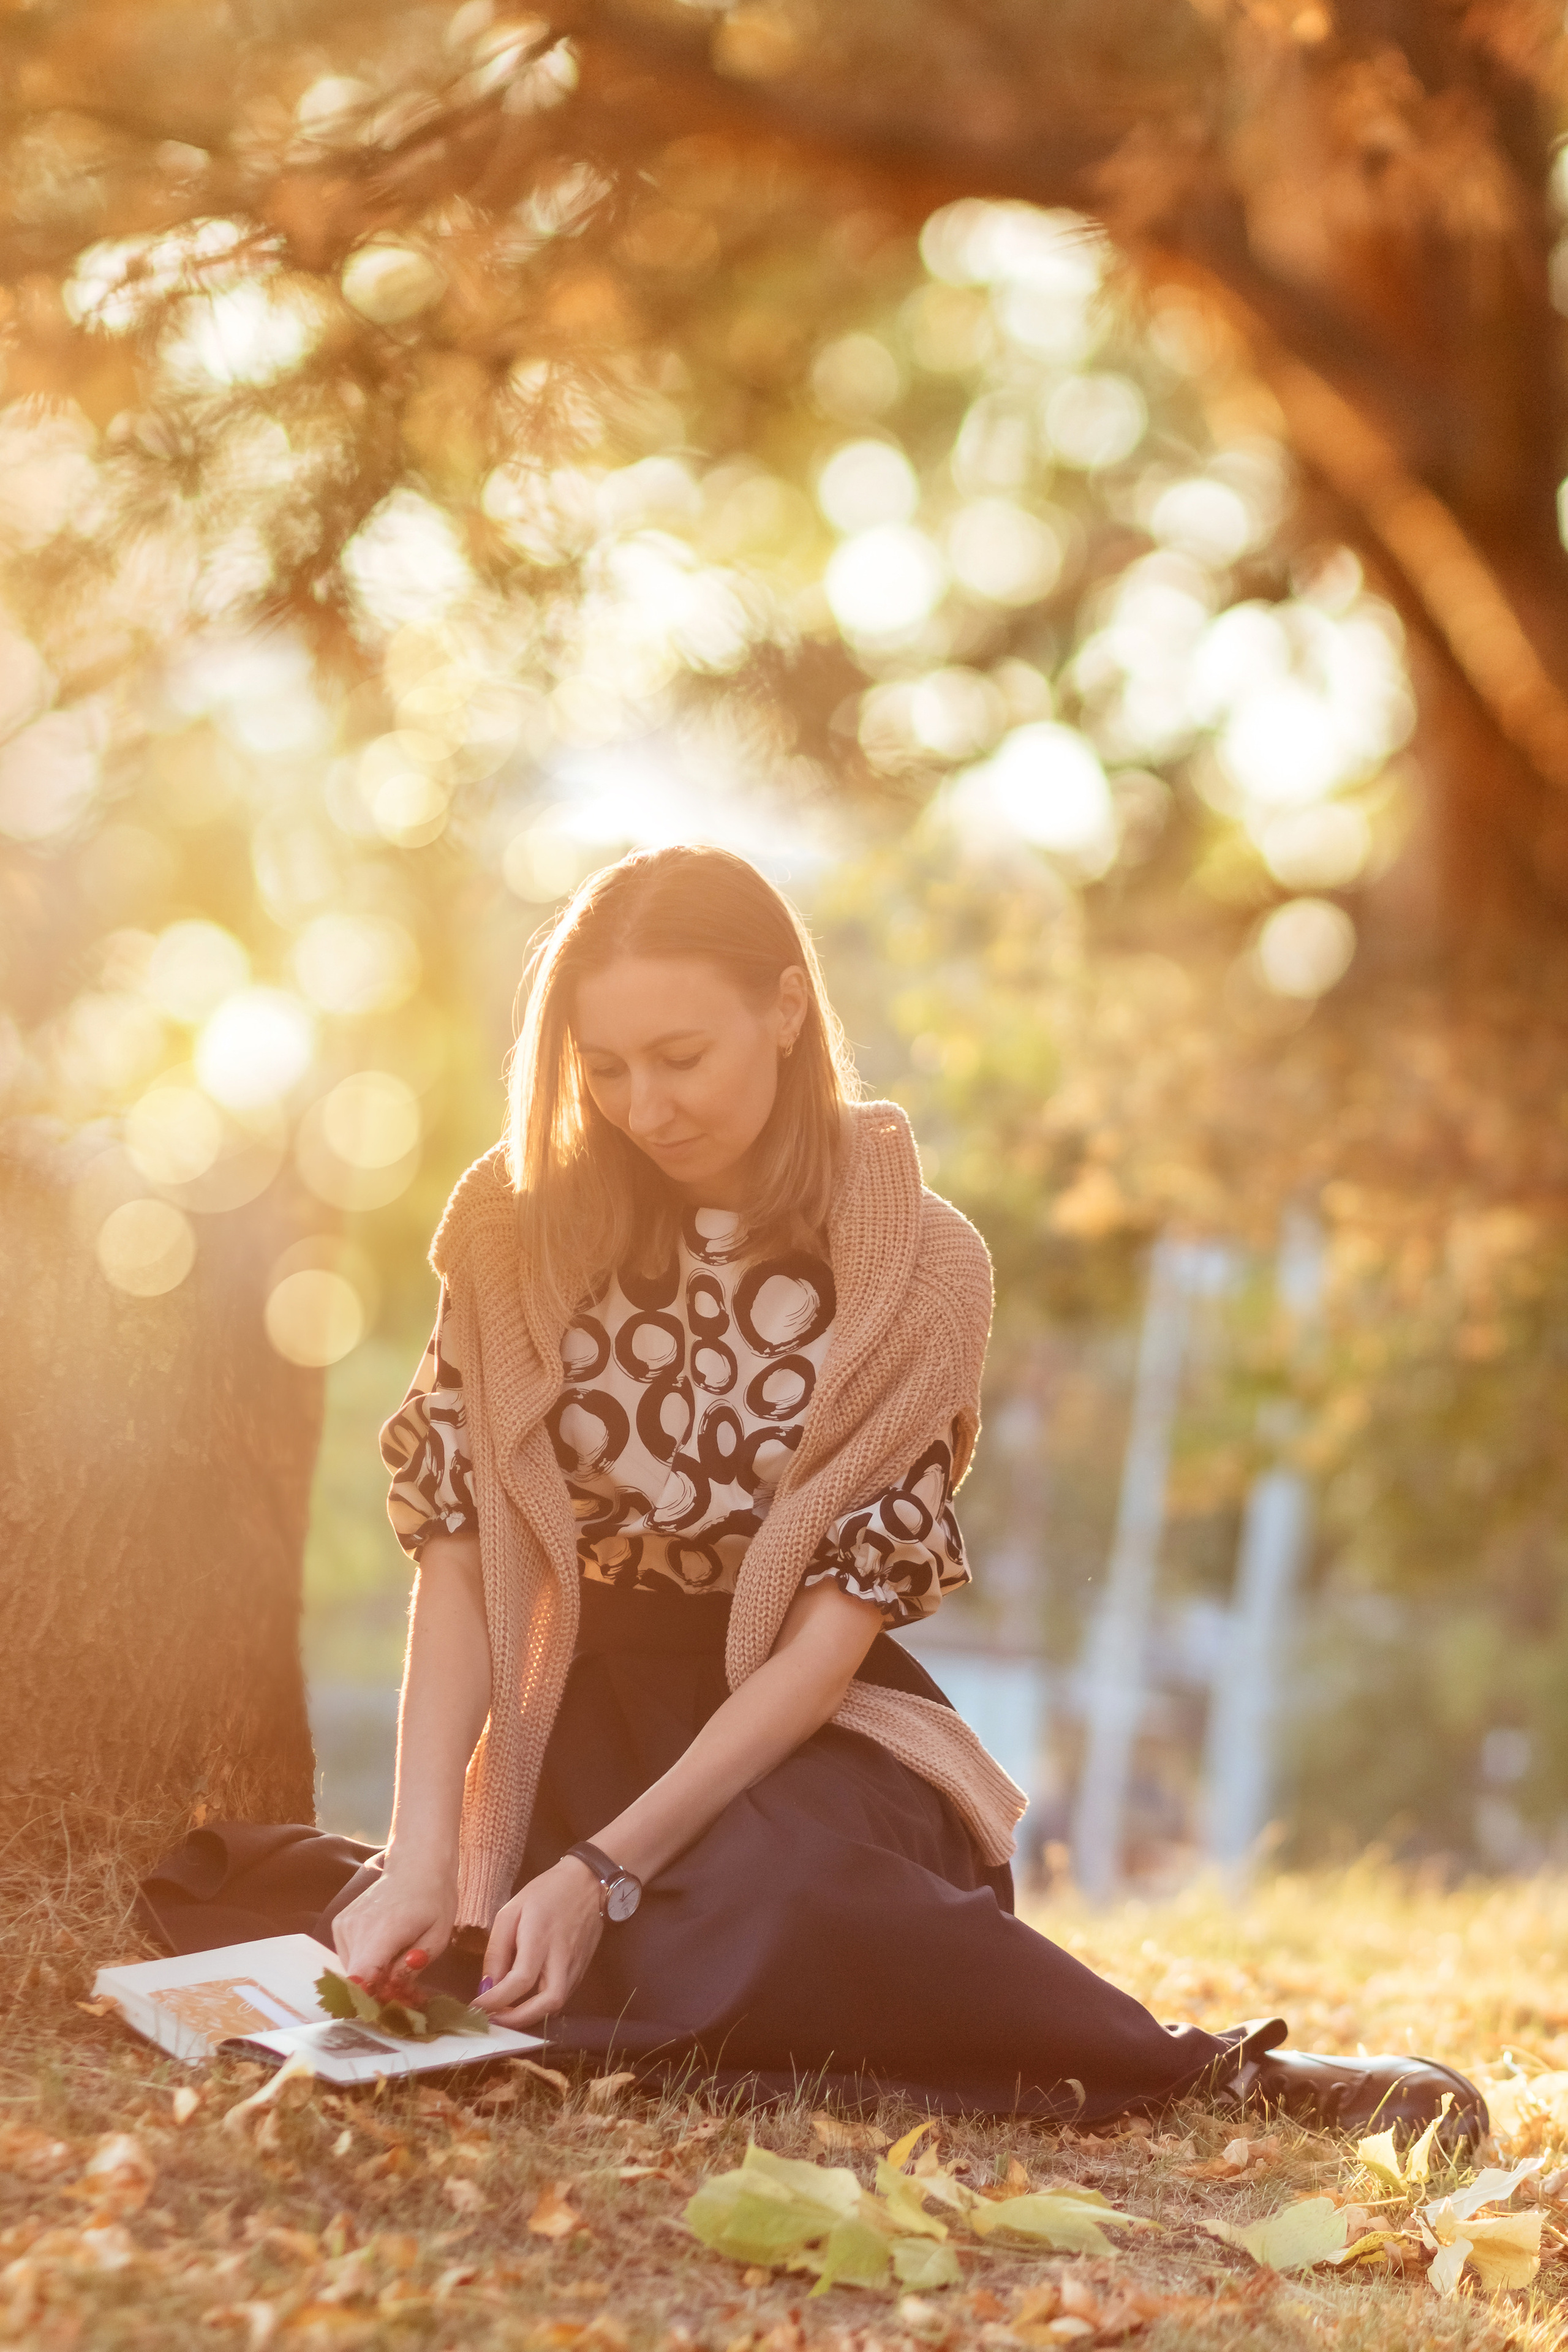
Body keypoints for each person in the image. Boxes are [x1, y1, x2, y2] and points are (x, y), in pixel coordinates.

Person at [143, 845, 1485, 2143]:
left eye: (680, 1058)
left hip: (805, 1731)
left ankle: (1212, 2076)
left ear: (785, 1008)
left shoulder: (923, 1266)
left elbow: (829, 1640)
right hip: (579, 1713)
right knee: (403, 1928)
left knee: (783, 1897)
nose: (642, 1104)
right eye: (602, 1069)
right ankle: (591, 1967)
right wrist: (427, 1848)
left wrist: (605, 1872)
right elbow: (458, 1555)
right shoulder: (510, 1223)